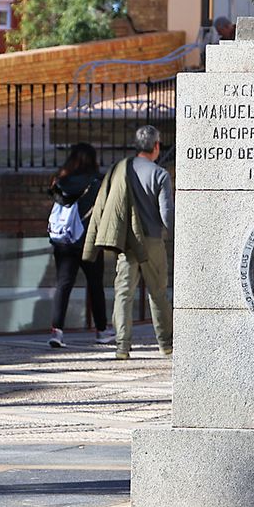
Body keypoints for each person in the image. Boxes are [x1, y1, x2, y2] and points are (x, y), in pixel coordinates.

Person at [98, 125, 174, 361]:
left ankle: (122, 347)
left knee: (123, 294)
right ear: (157, 146)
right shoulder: (160, 174)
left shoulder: (121, 168)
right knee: (158, 293)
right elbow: (167, 215)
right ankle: (166, 345)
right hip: (151, 240)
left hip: (127, 241)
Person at [46, 143, 107, 349]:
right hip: (88, 240)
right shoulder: (96, 182)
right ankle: (101, 331)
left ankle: (57, 331)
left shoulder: (60, 181)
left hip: (63, 239)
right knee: (95, 285)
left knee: (63, 285)